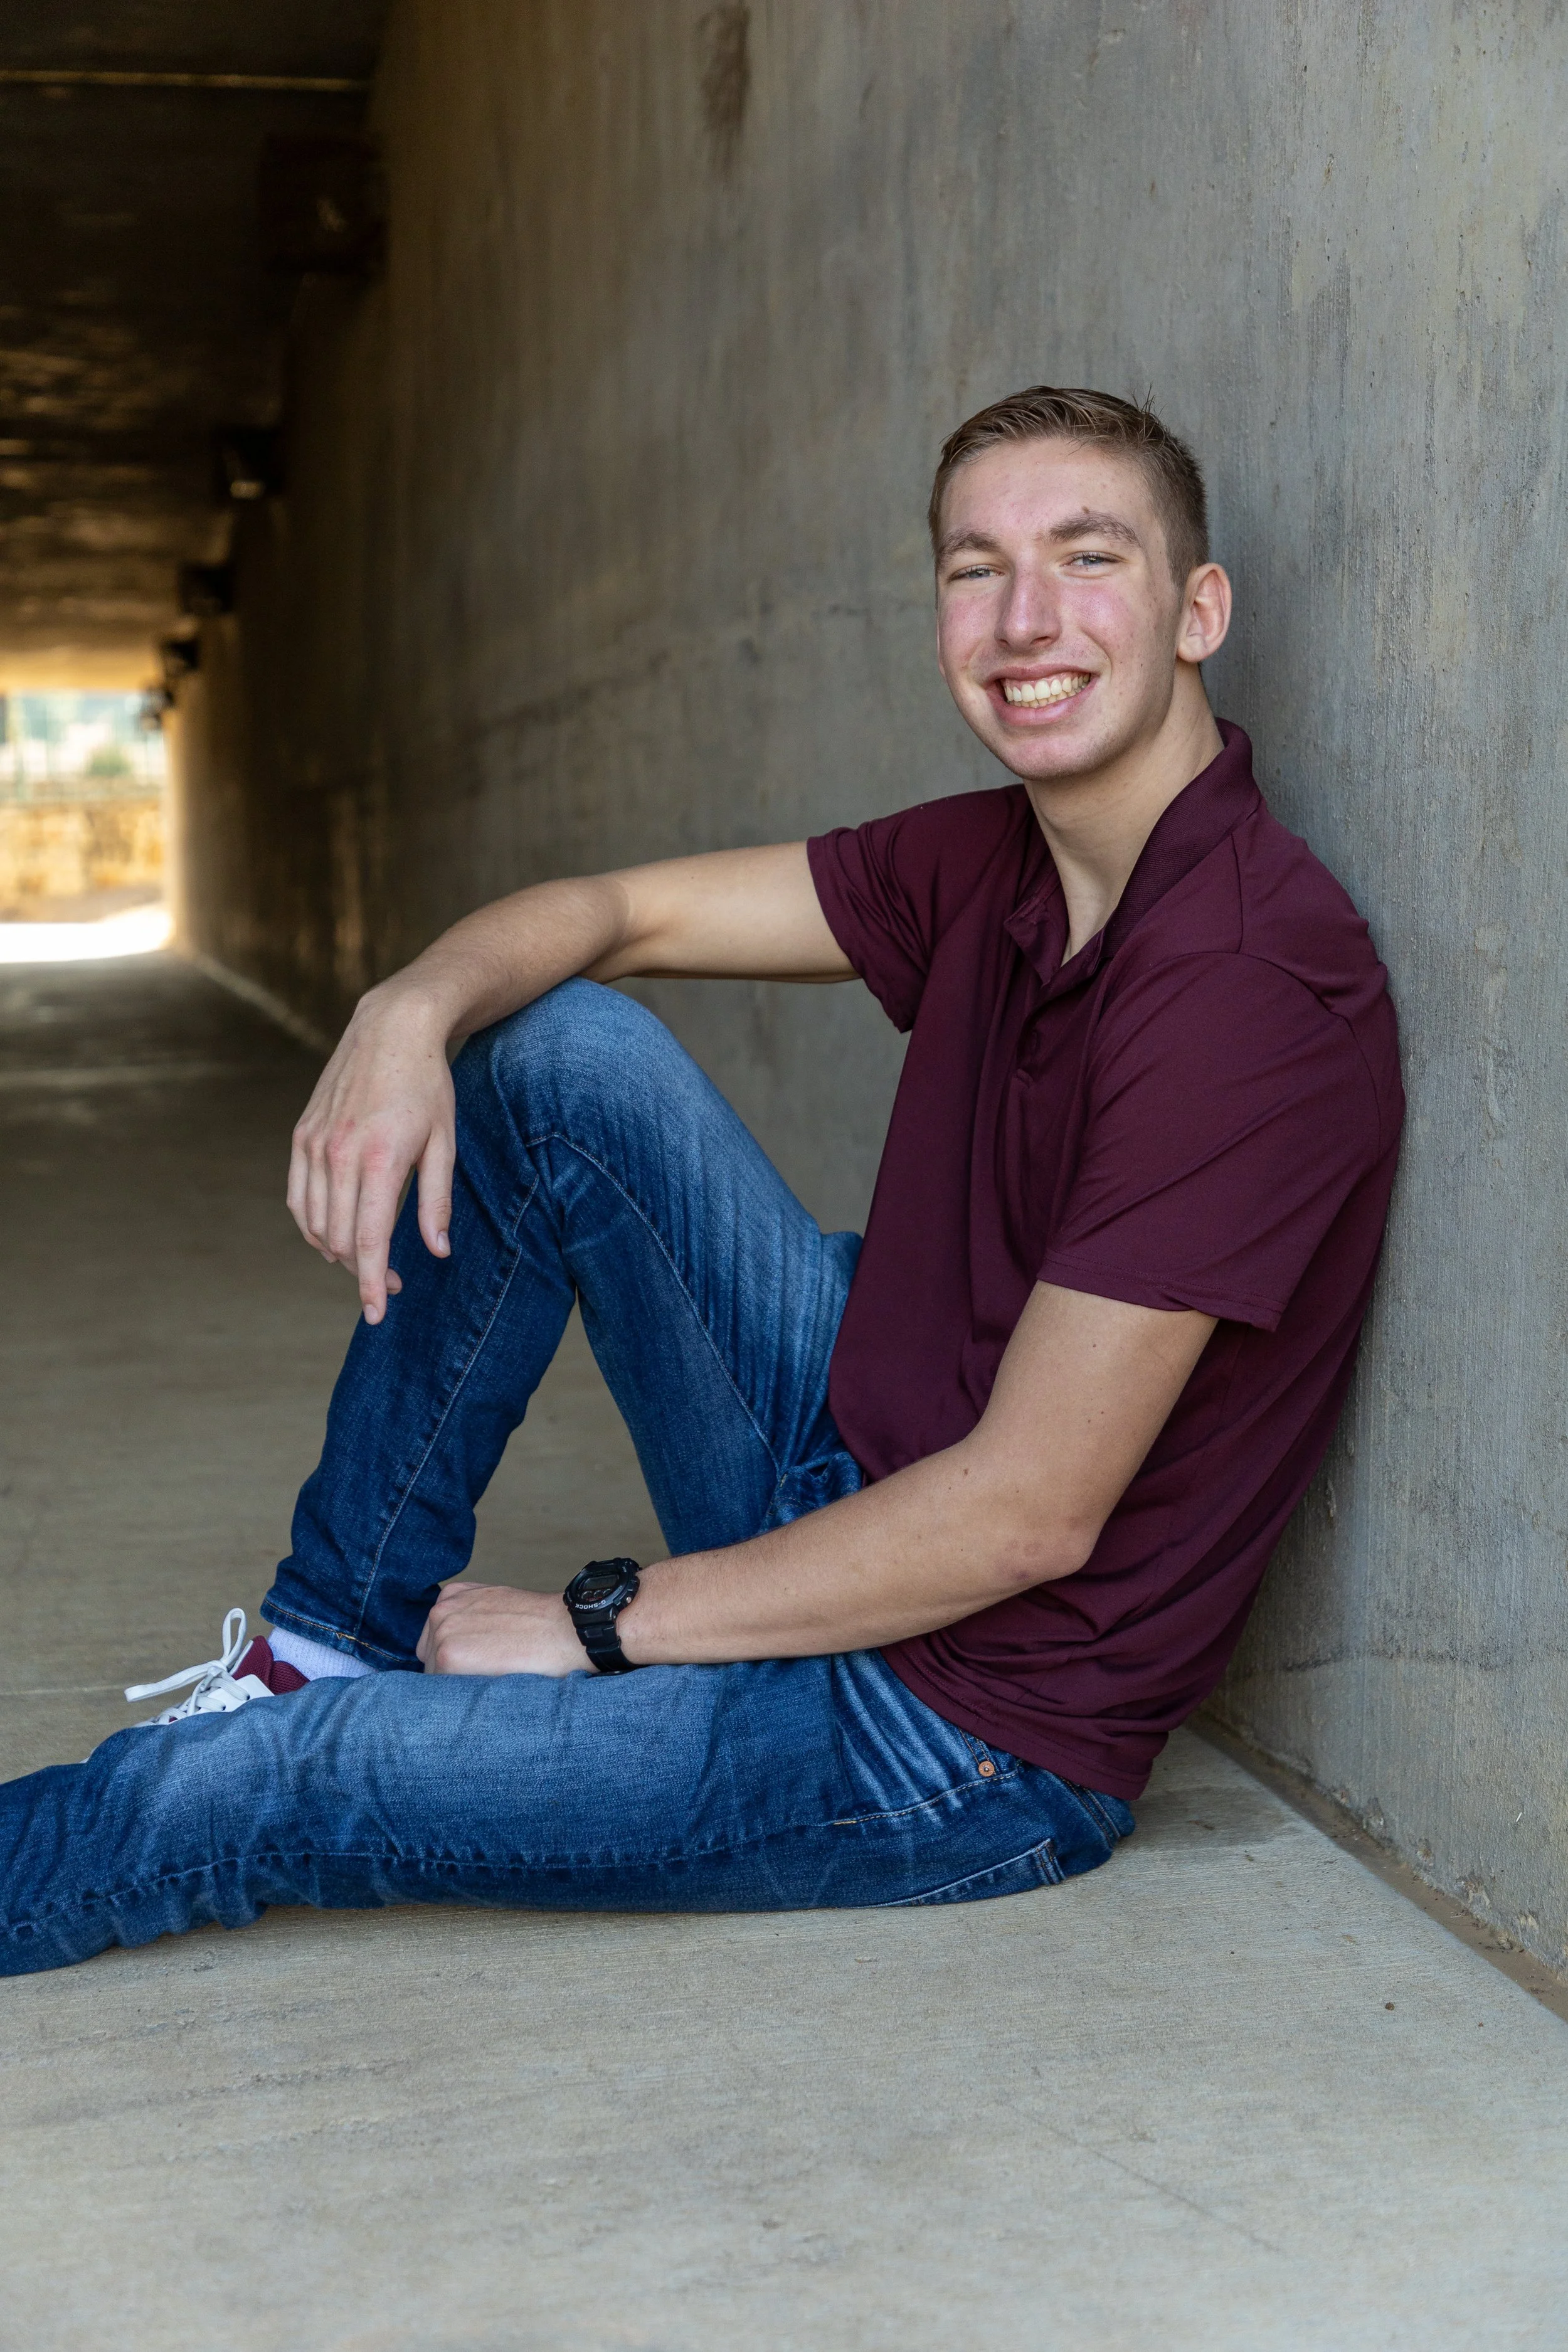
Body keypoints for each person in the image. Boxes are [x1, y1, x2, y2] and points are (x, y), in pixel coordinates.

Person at [0, 386, 1402, 1974]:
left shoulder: (1241, 985)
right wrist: (406, 1010)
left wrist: (595, 1627)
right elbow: (612, 912)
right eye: (971, 568)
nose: (1025, 620)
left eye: (1087, 559)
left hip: (956, 1730)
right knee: (557, 1057)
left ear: (1195, 610)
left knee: (263, 1791)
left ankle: (291, 1728)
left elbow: (1023, 1518)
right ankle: (324, 1641)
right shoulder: (996, 862)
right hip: (857, 1468)